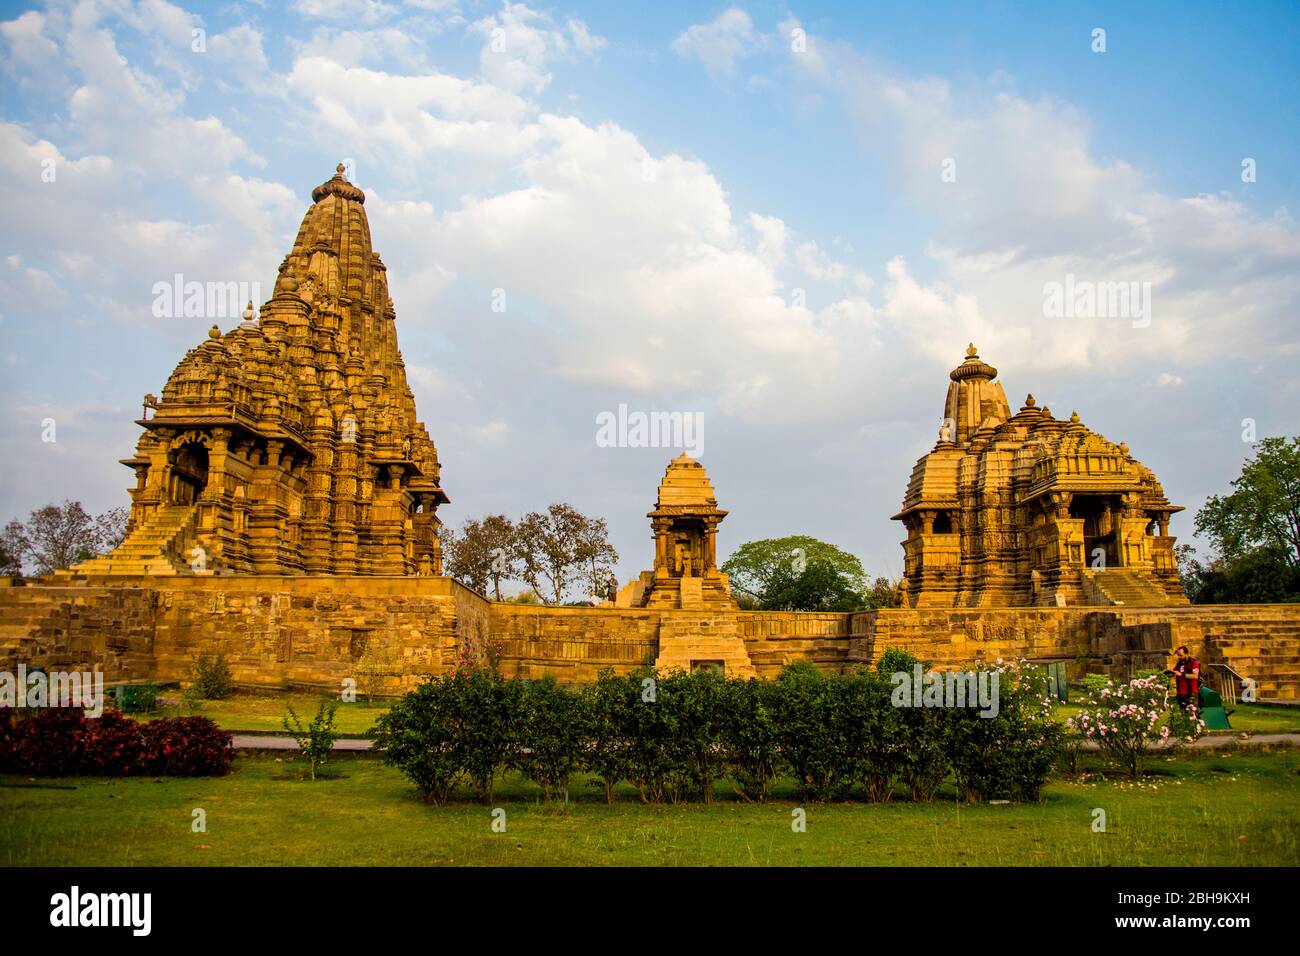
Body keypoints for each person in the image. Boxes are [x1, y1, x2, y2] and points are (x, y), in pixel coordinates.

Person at [1171, 645, 1200, 711]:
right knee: (1183, 714)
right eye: (1178, 655)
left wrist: (1182, 674)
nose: (1179, 657)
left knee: (1192, 714)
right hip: (1180, 692)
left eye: (1180, 655)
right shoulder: (1180, 663)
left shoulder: (1193, 662)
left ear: (1186, 654)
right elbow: (1174, 671)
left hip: (1190, 692)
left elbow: (1195, 676)